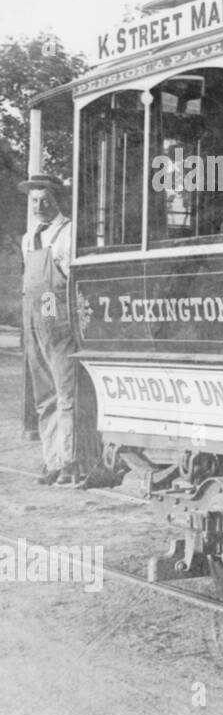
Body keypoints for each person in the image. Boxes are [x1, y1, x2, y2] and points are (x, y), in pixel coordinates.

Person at [19, 174, 79, 486]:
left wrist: (52, 320)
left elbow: (68, 283)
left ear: (57, 200)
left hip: (55, 317)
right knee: (44, 397)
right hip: (33, 319)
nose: (40, 206)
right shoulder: (29, 238)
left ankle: (69, 460)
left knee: (65, 393)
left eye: (45, 200)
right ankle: (52, 460)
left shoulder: (67, 232)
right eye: (34, 201)